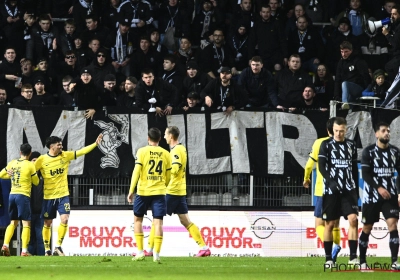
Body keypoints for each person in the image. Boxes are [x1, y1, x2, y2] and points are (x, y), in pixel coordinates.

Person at [144, 126, 211, 257]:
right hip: (179, 190)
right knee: (185, 221)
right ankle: (204, 247)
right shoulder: (180, 149)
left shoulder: (176, 151)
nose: (164, 137)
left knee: (156, 219)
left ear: (171, 136)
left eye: (165, 134)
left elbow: (175, 169)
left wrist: (163, 173)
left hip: (172, 191)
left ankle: (150, 250)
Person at [34, 134, 103, 256]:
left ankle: (58, 247)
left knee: (65, 219)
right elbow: (30, 170)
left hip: (63, 195)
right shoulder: (42, 160)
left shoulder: (65, 155)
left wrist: (95, 144)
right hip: (48, 196)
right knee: (47, 223)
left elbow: (81, 152)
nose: (61, 146)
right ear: (52, 146)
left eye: (61, 144)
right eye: (59, 144)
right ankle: (47, 250)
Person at [318, 117, 359, 267]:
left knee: (353, 219)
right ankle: (329, 258)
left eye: (342, 131)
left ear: (346, 130)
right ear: (332, 130)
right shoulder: (326, 145)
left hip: (349, 189)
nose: (339, 134)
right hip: (331, 190)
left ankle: (353, 257)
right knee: (329, 223)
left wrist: (356, 190)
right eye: (336, 131)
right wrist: (331, 182)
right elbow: (321, 166)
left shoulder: (351, 145)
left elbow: (354, 168)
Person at [359, 122, 400, 270]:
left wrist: (399, 192)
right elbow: (365, 174)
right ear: (377, 134)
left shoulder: (395, 152)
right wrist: (378, 188)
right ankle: (362, 262)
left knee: (393, 225)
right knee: (367, 227)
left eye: (388, 131)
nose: (386, 133)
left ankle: (394, 262)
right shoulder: (368, 152)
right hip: (372, 196)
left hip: (390, 196)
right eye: (383, 131)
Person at [127, 127, 171, 263]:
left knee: (138, 220)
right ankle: (156, 254)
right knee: (158, 223)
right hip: (159, 192)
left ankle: (140, 252)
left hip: (143, 192)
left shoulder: (142, 151)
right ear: (159, 139)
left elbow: (136, 171)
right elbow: (169, 175)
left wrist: (131, 190)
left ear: (148, 138)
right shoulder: (166, 153)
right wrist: (164, 185)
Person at [303, 118, 341, 263]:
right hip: (339, 188)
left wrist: (306, 178)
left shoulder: (320, 143)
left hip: (322, 188)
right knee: (335, 224)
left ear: (327, 130)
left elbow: (309, 165)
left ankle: (332, 249)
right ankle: (336, 248)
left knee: (320, 224)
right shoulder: (343, 144)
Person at [0, 143, 39, 256]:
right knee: (26, 223)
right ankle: (24, 251)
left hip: (12, 195)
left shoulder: (13, 163)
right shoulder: (30, 165)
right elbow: (36, 182)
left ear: (20, 152)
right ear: (30, 153)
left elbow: (1, 174)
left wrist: (9, 174)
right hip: (23, 196)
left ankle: (5, 245)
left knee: (13, 222)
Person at [334, 41, 370, 110]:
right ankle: (346, 109)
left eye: (346, 52)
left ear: (351, 50)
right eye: (342, 52)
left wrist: (366, 91)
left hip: (359, 88)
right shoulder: (340, 63)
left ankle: (344, 103)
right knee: (350, 110)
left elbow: (365, 76)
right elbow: (337, 80)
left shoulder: (358, 61)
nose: (343, 54)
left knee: (345, 84)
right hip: (347, 92)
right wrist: (336, 96)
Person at [27, 151, 44, 256]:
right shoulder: (27, 177)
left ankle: (42, 256)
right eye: (34, 160)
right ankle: (29, 256)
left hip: (41, 212)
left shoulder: (44, 177)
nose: (36, 162)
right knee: (30, 236)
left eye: (38, 160)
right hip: (29, 212)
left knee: (40, 236)